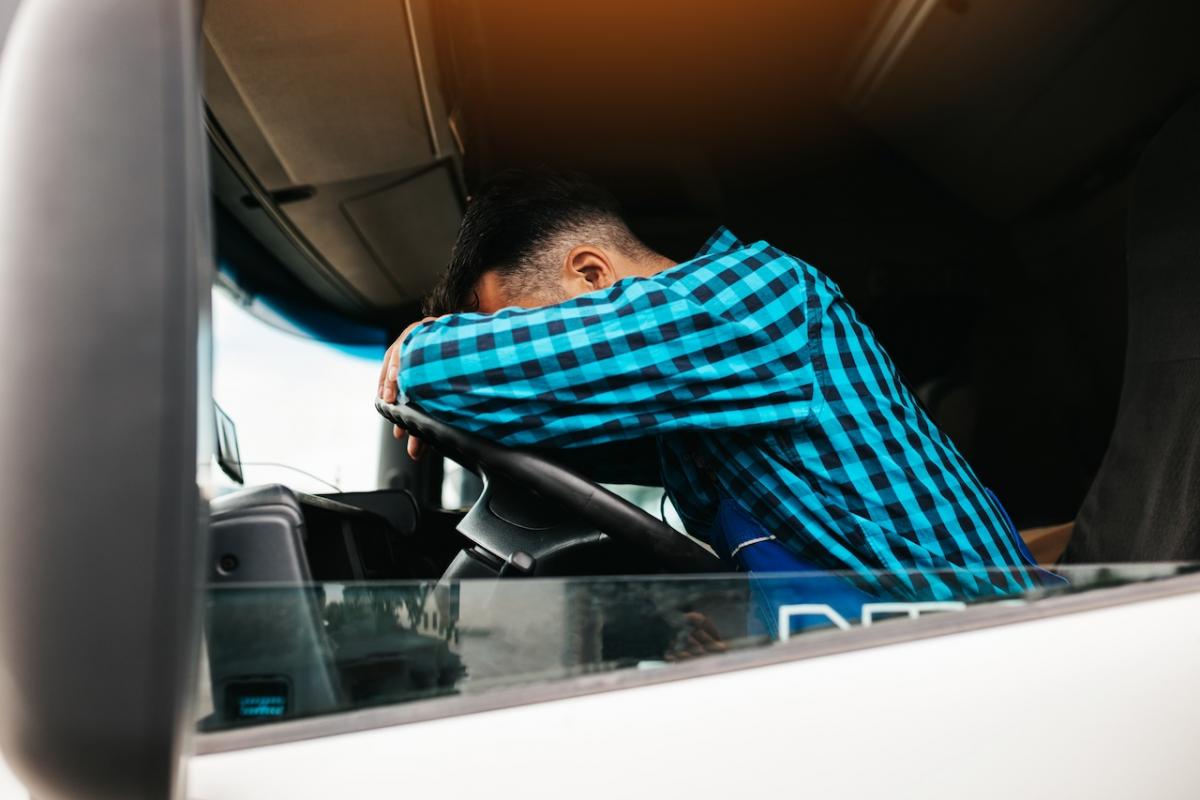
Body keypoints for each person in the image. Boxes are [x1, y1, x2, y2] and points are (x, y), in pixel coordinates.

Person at [376, 170, 1054, 616]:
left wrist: (419, 346)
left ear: (589, 273)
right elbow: (530, 421)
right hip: (888, 650)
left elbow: (455, 374)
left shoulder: (757, 293)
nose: (541, 352)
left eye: (527, 329)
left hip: (981, 646)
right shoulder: (690, 402)